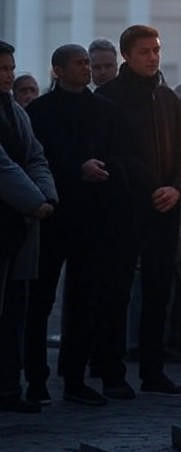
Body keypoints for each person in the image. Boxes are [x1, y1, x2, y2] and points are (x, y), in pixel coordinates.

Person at [24, 44, 132, 406]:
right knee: (40, 301)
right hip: (51, 217)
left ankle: (74, 378)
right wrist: (77, 168)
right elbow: (38, 157)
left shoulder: (104, 110)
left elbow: (119, 154)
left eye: (88, 62)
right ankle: (36, 378)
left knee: (84, 300)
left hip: (92, 219)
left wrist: (105, 169)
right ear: (57, 70)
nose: (87, 68)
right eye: (79, 63)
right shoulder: (39, 111)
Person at [96, 25, 181, 395]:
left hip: (165, 209)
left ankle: (154, 371)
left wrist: (177, 188)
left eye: (156, 50)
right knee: (116, 293)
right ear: (127, 55)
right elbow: (111, 154)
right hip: (123, 210)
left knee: (158, 293)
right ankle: (112, 373)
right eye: (144, 51)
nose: (153, 57)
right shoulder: (107, 98)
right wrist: (148, 186)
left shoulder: (167, 99)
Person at [0, 40, 57, 414]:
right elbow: (2, 166)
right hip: (11, 219)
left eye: (10, 68)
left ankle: (8, 387)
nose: (9, 74)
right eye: (3, 69)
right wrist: (35, 201)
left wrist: (46, 196)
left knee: (14, 312)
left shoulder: (17, 113)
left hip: (18, 226)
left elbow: (35, 154)